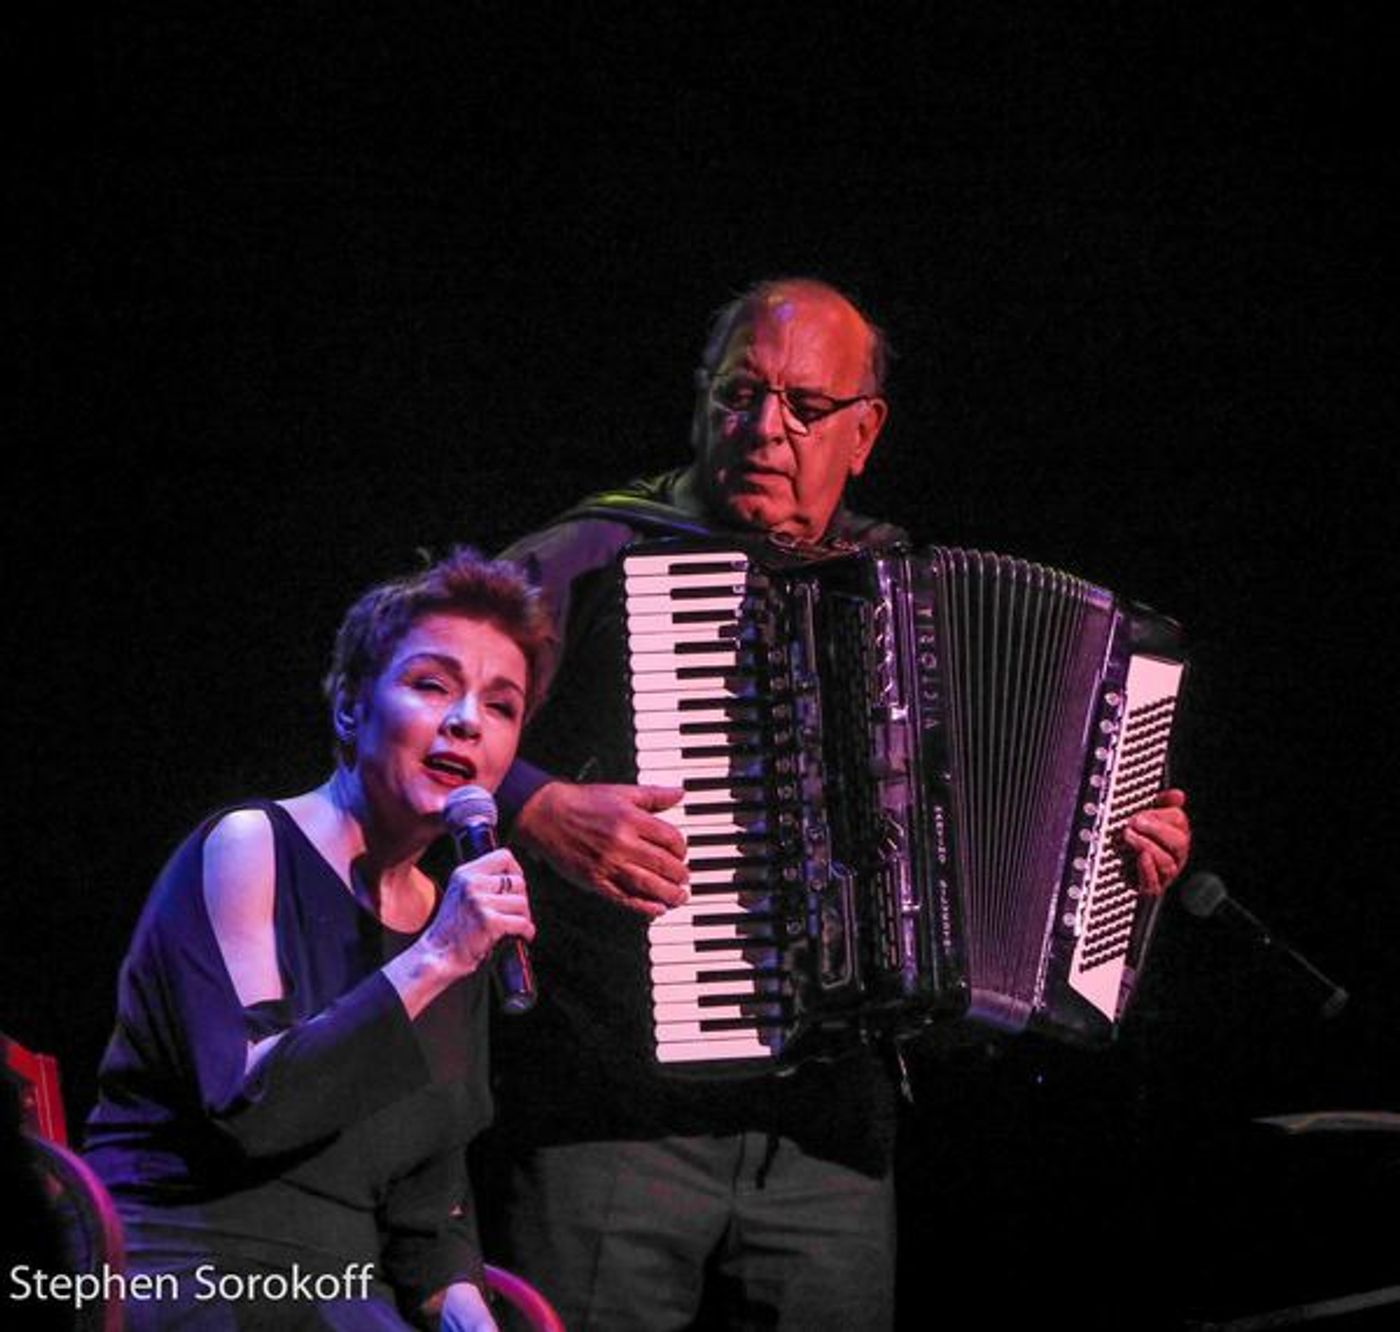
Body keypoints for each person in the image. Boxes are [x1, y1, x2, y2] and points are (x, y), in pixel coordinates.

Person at [483, 277, 1193, 1329]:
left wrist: (1112, 861)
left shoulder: (896, 583)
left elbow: (993, 849)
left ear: (863, 434)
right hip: (613, 1125)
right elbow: (400, 731)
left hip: (831, 1142)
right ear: (700, 400)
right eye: (739, 394)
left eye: (804, 408)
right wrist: (536, 807)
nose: (764, 428)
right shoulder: (592, 557)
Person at [83, 549, 548, 1331]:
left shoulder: (454, 918)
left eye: (501, 707)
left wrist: (469, 1312)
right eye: (431, 685)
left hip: (346, 1297)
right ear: (349, 709)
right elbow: (250, 1104)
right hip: (189, 1269)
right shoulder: (249, 845)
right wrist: (436, 959)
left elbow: (429, 1203)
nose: (467, 720)